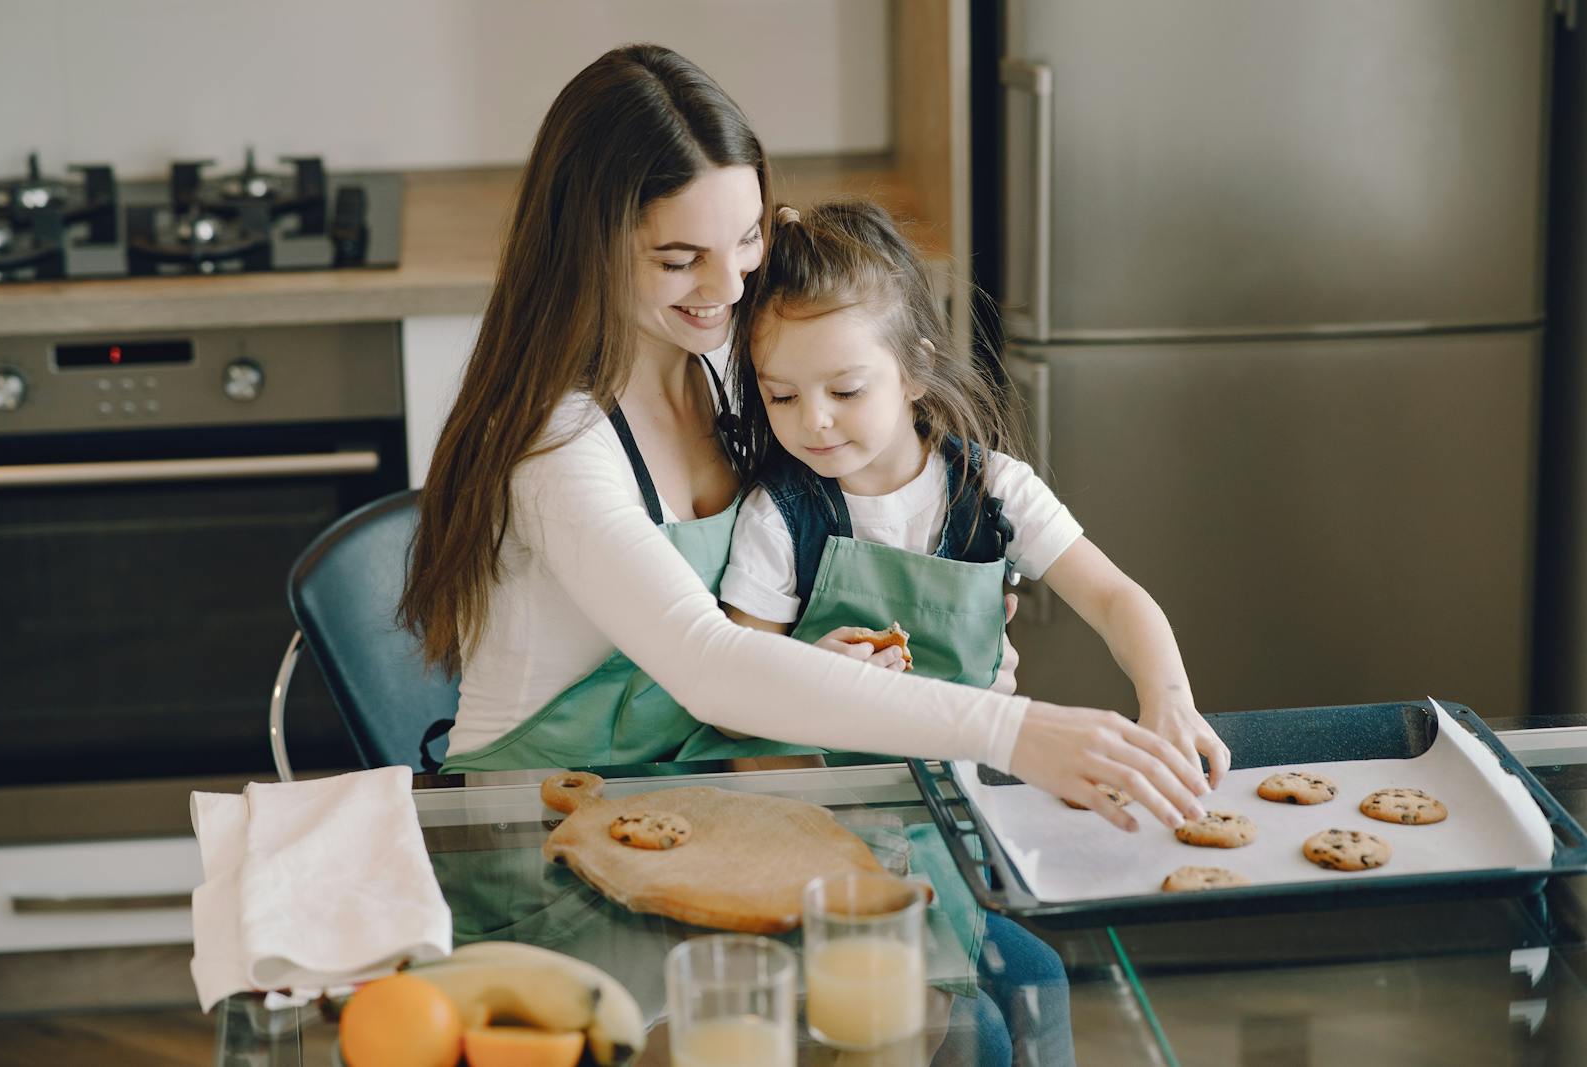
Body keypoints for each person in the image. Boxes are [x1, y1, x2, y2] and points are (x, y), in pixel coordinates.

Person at [400, 43, 1217, 830]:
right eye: (681, 258)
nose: (728, 288)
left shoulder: (731, 364)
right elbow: (708, 662)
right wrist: (1017, 732)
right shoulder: (561, 442)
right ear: (591, 244)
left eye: (747, 237)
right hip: (532, 828)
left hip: (699, 798)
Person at [718, 198, 1230, 800]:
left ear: (914, 372)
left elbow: (1115, 598)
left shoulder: (992, 491)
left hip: (968, 798)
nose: (816, 421)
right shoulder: (776, 517)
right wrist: (809, 675)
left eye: (846, 390)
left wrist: (1169, 702)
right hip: (827, 815)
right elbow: (731, 701)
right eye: (781, 397)